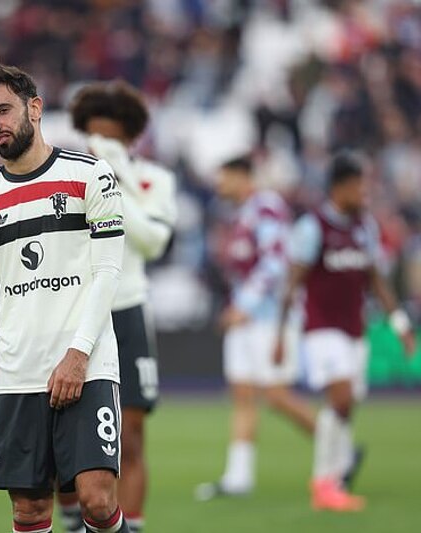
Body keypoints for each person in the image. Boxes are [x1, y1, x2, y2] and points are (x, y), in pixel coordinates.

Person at [0, 62, 130, 533]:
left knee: (97, 501)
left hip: (88, 363)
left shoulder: (91, 176)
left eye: (2, 110)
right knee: (29, 512)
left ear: (34, 108)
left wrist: (78, 354)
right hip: (16, 372)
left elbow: (107, 273)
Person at [49, 80, 177, 533]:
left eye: (111, 137)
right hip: (76, 311)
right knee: (64, 432)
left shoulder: (154, 180)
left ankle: (131, 526)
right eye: (93, 135)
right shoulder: (66, 177)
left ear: (130, 136)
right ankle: (73, 519)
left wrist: (115, 183)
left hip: (128, 310)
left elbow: (154, 241)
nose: (101, 144)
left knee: (132, 433)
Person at [274, 152, 415, 511]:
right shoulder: (313, 227)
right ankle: (323, 482)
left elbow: (376, 280)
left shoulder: (364, 227)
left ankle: (336, 479)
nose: (364, 193)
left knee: (347, 406)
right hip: (322, 328)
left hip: (355, 329)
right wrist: (279, 335)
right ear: (339, 188)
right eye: (358, 186)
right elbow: (292, 284)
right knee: (340, 398)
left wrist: (399, 323)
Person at [195, 156, 316, 500]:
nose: (219, 185)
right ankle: (239, 477)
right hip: (246, 316)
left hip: (269, 316)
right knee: (243, 394)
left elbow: (276, 262)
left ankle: (338, 449)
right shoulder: (240, 213)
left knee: (276, 395)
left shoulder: (267, 207)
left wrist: (244, 306)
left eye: (224, 178)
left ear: (242, 176)